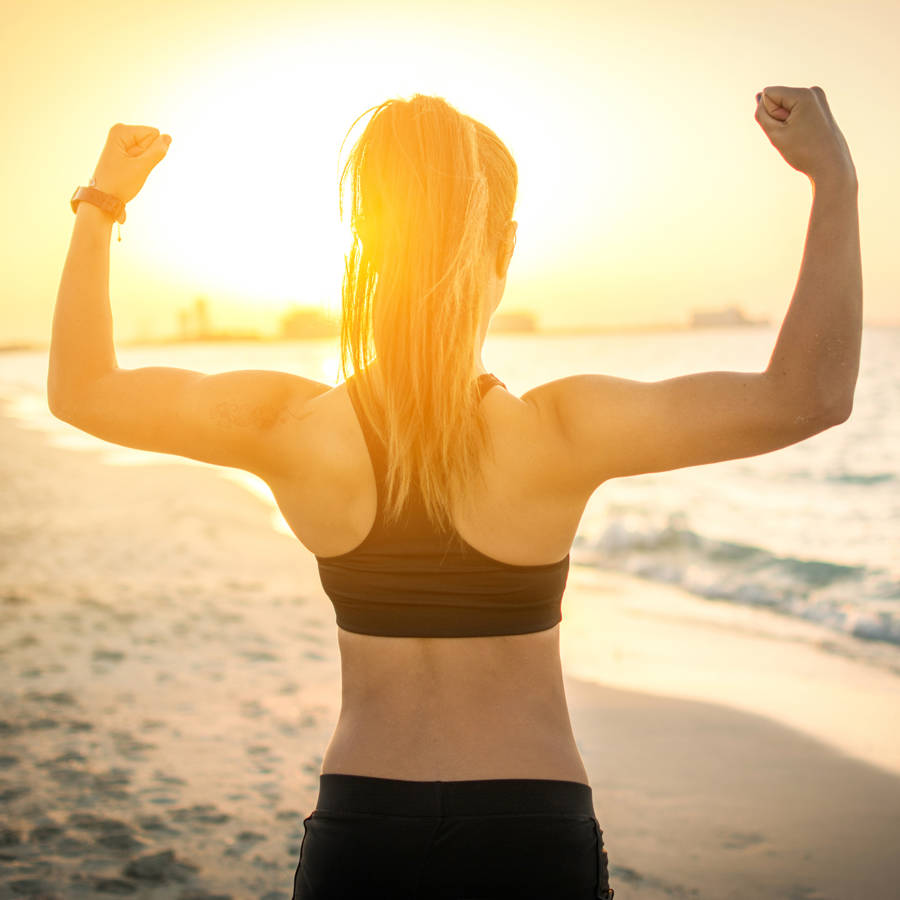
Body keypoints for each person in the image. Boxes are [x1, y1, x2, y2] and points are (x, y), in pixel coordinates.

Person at [49, 85, 860, 899]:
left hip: (362, 834)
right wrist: (833, 180)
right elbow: (810, 393)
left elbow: (83, 389)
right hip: (529, 832)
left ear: (366, 241)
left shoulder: (288, 425)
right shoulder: (563, 431)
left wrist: (103, 200)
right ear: (503, 246)